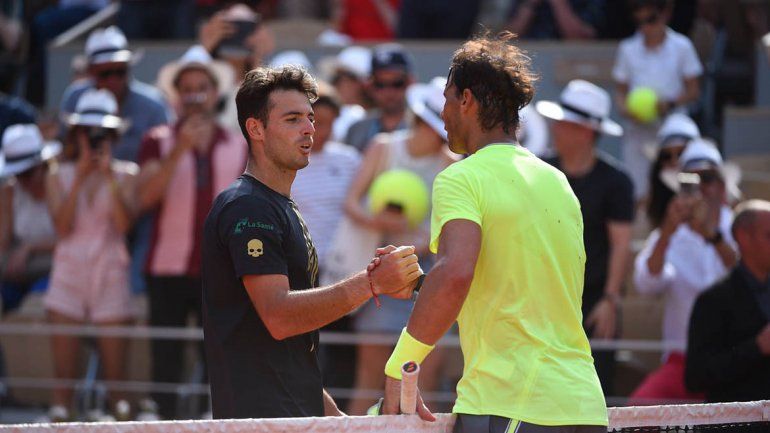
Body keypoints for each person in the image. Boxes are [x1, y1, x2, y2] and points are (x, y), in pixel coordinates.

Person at [377, 33, 607, 432]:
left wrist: (401, 367)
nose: (443, 114)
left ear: (466, 100)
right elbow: (515, 284)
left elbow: (456, 274)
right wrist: (421, 287)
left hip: (512, 405)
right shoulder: (557, 181)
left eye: (448, 99)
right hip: (583, 406)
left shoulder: (460, 178)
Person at [201, 65, 422, 419]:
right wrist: (372, 283)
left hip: (288, 418)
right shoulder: (248, 205)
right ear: (255, 128)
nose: (309, 129)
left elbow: (291, 355)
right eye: (292, 119)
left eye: (310, 118)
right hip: (260, 423)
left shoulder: (279, 206)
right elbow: (280, 317)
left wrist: (341, 424)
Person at [136, 46, 247, 420]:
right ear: (176, 95)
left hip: (218, 269)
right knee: (164, 351)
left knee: (215, 350)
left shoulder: (238, 143)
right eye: (187, 88)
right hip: (166, 265)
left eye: (202, 87)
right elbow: (144, 199)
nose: (195, 95)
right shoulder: (156, 140)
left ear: (215, 94)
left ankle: (208, 419)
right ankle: (162, 417)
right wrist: (180, 148)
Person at [343, 76, 456, 415]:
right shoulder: (383, 147)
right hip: (380, 275)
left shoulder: (452, 166)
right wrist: (379, 224)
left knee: (427, 379)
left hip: (428, 282)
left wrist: (418, 246)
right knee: (370, 376)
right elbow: (351, 203)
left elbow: (448, 232)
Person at [43, 89, 138, 422]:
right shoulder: (57, 175)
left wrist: (108, 175)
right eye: (87, 132)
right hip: (68, 273)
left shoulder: (126, 174)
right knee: (61, 390)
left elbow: (124, 225)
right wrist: (82, 175)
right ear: (76, 134)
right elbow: (62, 228)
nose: (94, 138)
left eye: (102, 133)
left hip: (110, 271)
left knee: (119, 389)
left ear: (113, 136)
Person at [537, 79, 635, 397]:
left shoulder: (616, 181)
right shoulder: (539, 171)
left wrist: (610, 300)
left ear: (587, 132)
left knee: (592, 390)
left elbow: (621, 244)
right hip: (542, 296)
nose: (557, 129)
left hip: (594, 302)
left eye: (566, 124)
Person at [631, 138, 738, 404]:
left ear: (722, 187)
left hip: (735, 362)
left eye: (709, 178)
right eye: (690, 181)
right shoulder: (668, 233)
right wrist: (667, 233)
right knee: (636, 412)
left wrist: (710, 235)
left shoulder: (740, 228)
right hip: (682, 364)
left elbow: (748, 277)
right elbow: (646, 284)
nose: (701, 188)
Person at [291, 88, 362, 409]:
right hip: (298, 272)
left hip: (341, 272)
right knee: (301, 348)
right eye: (317, 122)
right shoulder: (285, 161)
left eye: (330, 123)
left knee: (343, 349)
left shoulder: (349, 160)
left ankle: (339, 416)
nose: (323, 131)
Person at [612, 0, 702, 200]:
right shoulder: (627, 49)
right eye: (640, 21)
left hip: (674, 137)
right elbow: (620, 93)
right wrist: (626, 110)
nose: (645, 27)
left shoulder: (682, 46)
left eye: (650, 20)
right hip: (638, 134)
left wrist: (668, 104)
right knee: (637, 194)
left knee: (676, 192)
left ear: (665, 14)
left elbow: (694, 90)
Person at [686, 200, 770, 402]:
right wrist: (756, 347)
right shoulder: (713, 300)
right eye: (769, 235)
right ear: (744, 238)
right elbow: (696, 378)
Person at [0, 125, 60, 312]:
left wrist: (30, 248)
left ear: (43, 165)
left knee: (35, 306)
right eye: (17, 174)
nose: (23, 180)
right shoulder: (9, 192)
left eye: (27, 173)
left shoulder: (63, 186)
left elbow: (74, 238)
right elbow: (3, 243)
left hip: (58, 272)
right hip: (18, 273)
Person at [344, 44, 413, 153]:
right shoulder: (356, 130)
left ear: (410, 82)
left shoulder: (423, 129)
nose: (388, 91)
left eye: (397, 83)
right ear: (370, 85)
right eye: (380, 84)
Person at [645, 113, 700, 230]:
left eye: (682, 153)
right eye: (666, 156)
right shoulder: (646, 209)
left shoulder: (720, 196)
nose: (675, 162)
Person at [506, 0, 605, 40]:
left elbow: (580, 37)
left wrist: (558, 3)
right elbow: (509, 37)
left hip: (571, 62)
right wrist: (530, 4)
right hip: (531, 60)